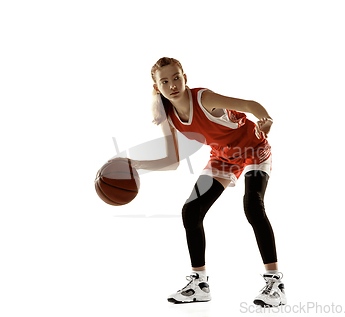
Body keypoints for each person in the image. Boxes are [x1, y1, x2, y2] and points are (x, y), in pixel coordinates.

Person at [109, 57, 286, 307]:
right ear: (156, 87)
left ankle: (275, 283)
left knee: (253, 206)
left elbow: (249, 104)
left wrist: (265, 120)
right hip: (224, 158)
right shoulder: (169, 115)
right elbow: (172, 160)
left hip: (254, 148)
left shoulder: (203, 98)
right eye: (165, 81)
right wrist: (135, 164)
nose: (172, 85)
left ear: (185, 78)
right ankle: (200, 284)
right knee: (191, 211)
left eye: (176, 78)